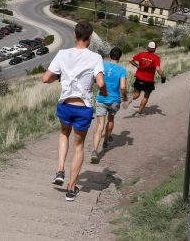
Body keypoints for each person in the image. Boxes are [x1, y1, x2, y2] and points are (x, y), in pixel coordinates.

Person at [42, 21, 106, 201]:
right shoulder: (96, 58)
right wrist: (104, 90)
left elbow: (45, 78)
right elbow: (100, 83)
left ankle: (60, 169)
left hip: (65, 104)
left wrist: (60, 77)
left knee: (64, 133)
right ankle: (71, 189)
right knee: (78, 146)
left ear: (74, 35)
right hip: (82, 107)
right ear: (91, 37)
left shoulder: (62, 54)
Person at [90, 47, 127, 164]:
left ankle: (95, 151)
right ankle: (106, 140)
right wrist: (125, 97)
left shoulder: (102, 65)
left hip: (101, 98)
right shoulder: (122, 70)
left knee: (99, 125)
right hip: (114, 100)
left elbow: (96, 79)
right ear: (120, 57)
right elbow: (122, 87)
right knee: (111, 119)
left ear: (110, 55)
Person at [129, 41, 166, 115]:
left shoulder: (141, 54)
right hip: (148, 81)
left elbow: (130, 60)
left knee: (136, 94)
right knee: (146, 96)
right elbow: (158, 69)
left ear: (148, 48)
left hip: (139, 77)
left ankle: (129, 99)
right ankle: (139, 112)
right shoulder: (156, 58)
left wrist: (137, 66)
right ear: (155, 49)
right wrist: (163, 77)